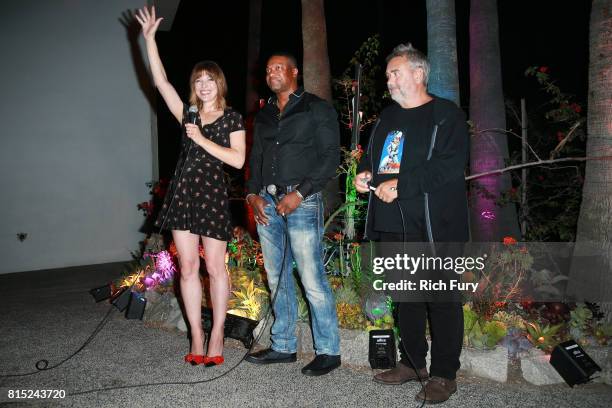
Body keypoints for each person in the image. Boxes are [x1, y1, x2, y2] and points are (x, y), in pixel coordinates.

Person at [355, 43, 469, 404]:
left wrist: (403, 185)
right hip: (393, 222)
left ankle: (444, 375)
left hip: (435, 226)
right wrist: (364, 174)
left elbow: (449, 166)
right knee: (406, 298)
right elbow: (375, 159)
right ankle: (412, 364)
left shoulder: (446, 114)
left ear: (418, 74)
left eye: (395, 73)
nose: (388, 80)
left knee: (442, 300)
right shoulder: (387, 118)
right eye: (388, 74)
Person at [135, 6, 246, 367]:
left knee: (215, 267)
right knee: (186, 268)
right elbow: (161, 83)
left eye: (209, 80)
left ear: (219, 84)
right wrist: (150, 40)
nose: (203, 85)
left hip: (213, 197)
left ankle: (217, 333)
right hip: (183, 196)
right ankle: (196, 333)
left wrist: (200, 139)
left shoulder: (231, 117)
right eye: (198, 80)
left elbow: (237, 160)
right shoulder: (188, 114)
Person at [244, 53, 341, 376]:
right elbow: (256, 158)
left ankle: (329, 350)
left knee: (311, 277)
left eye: (278, 68)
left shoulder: (316, 107)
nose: (272, 73)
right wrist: (252, 194)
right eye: (268, 68)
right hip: (267, 203)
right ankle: (283, 345)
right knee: (276, 276)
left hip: (302, 200)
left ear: (294, 72)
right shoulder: (265, 114)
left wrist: (299, 193)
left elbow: (329, 157)